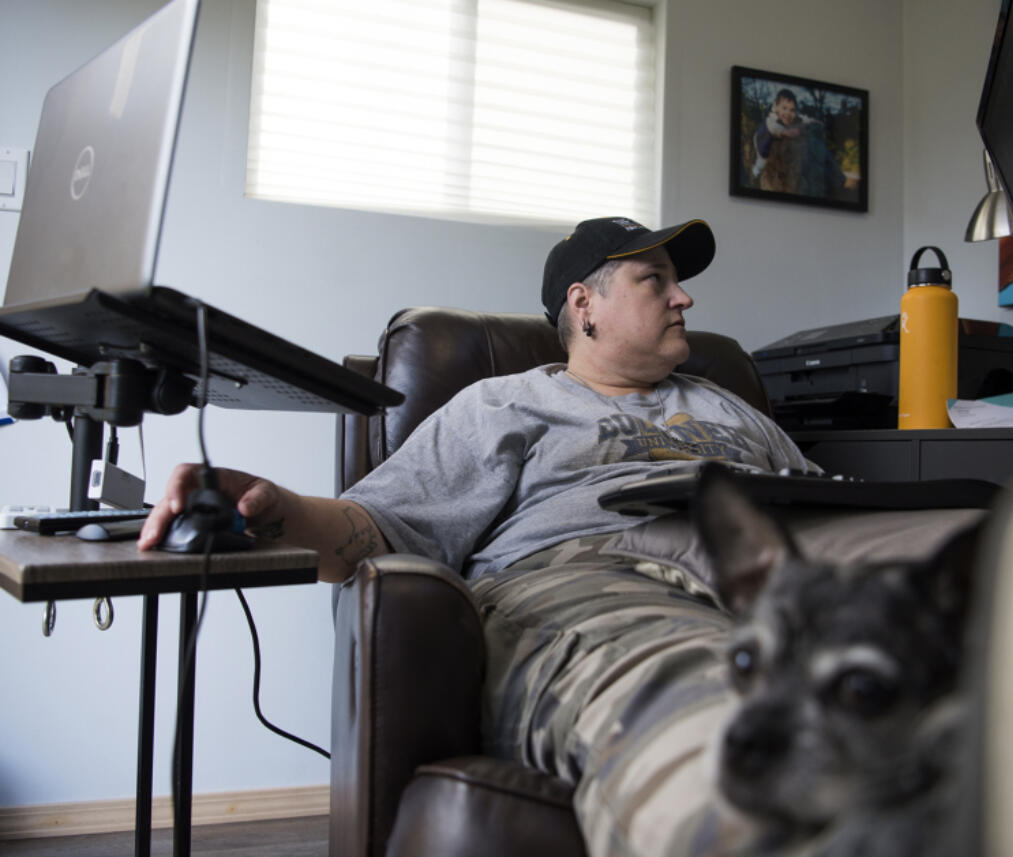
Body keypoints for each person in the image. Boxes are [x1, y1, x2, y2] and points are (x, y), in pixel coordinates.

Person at [139, 216, 823, 857]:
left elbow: (830, 499)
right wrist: (275, 507)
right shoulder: (506, 404)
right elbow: (381, 525)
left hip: (788, 572)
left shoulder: (726, 404)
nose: (685, 299)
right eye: (657, 281)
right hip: (600, 583)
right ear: (584, 306)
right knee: (721, 722)